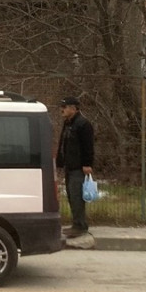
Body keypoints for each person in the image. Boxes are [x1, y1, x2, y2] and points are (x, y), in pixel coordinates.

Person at [55, 96, 94, 238]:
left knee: (77, 196)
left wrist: (87, 164)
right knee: (71, 196)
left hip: (78, 167)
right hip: (69, 166)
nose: (62, 110)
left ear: (73, 108)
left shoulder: (83, 124)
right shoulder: (68, 123)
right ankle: (76, 223)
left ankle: (80, 225)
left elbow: (88, 146)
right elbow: (63, 144)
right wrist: (60, 161)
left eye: (64, 107)